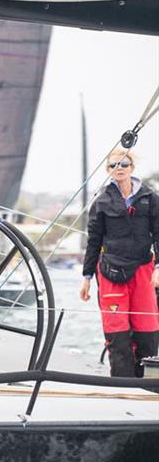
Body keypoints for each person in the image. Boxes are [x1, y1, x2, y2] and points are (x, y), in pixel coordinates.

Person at [80, 149, 159, 377]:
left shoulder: (150, 198)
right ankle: (121, 386)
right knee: (117, 331)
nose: (119, 168)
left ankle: (148, 384)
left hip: (143, 269)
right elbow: (93, 241)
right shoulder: (101, 201)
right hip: (110, 271)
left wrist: (158, 268)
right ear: (108, 170)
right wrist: (86, 278)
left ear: (132, 168)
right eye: (114, 165)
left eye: (124, 164)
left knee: (147, 328)